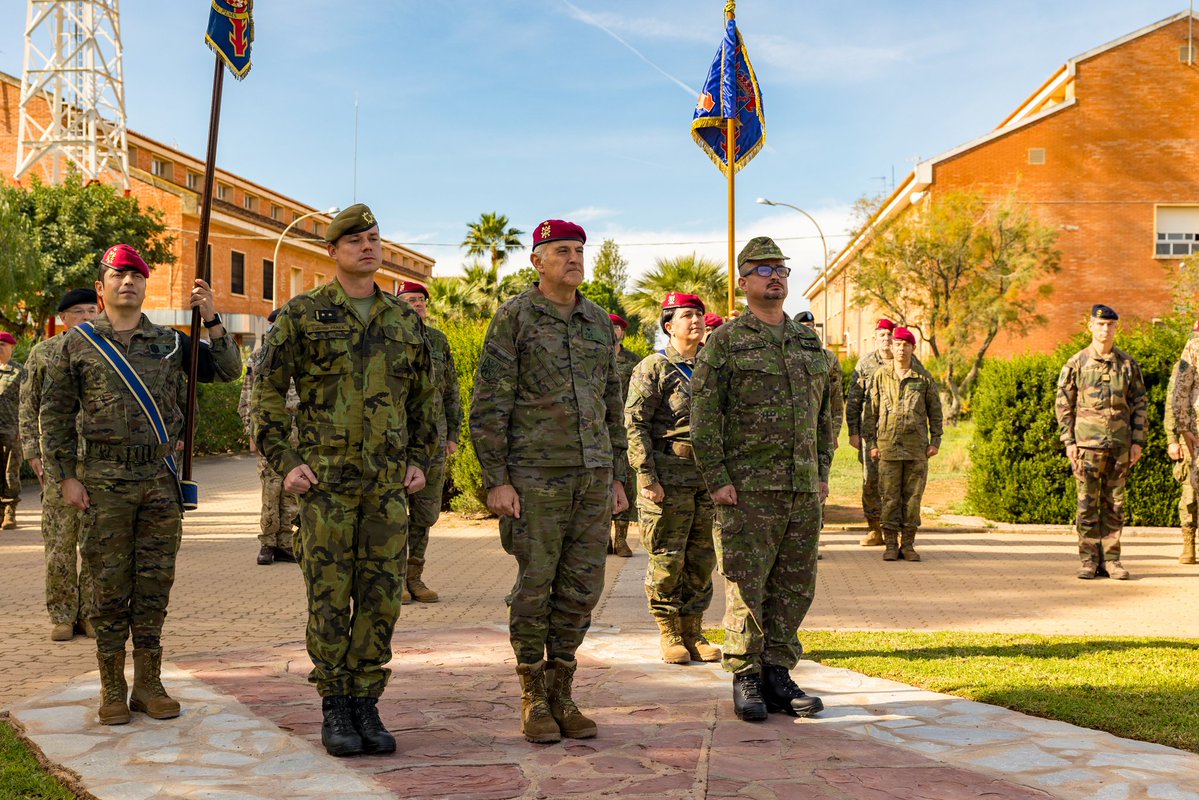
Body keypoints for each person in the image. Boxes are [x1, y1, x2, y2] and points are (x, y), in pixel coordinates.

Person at [253, 204, 435, 757]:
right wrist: (287, 463)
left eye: (374, 238)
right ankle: (335, 703)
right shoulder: (302, 315)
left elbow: (427, 403)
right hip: (326, 488)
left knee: (381, 598)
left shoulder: (405, 322)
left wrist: (421, 460)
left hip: (386, 489)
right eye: (354, 239)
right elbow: (262, 395)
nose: (367, 246)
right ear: (332, 252)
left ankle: (367, 700)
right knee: (330, 599)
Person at [40, 244, 241, 725]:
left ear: (145, 285)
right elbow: (56, 415)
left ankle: (149, 682)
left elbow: (230, 370)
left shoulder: (170, 342)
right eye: (118, 274)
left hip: (157, 479)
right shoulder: (78, 345)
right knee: (108, 586)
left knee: (154, 583)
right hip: (102, 482)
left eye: (136, 275)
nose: (127, 281)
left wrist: (211, 318)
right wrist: (66, 477)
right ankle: (112, 685)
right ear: (101, 286)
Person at [470, 218, 629, 744]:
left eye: (579, 250)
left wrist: (617, 477)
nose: (574, 259)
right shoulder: (515, 317)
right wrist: (497, 479)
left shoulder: (598, 323)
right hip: (535, 476)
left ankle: (563, 688)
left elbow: (612, 403)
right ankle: (533, 694)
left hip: (592, 475)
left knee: (582, 587)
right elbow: (490, 403)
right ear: (537, 261)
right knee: (536, 586)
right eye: (562, 251)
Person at [691, 236, 832, 723]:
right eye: (763, 268)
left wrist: (822, 473)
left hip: (801, 487)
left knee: (796, 584)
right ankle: (746, 674)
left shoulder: (808, 341)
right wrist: (717, 479)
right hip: (747, 489)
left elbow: (825, 415)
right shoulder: (727, 342)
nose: (776, 276)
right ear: (743, 281)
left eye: (782, 268)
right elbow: (704, 415)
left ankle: (778, 671)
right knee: (748, 584)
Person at [626, 292, 720, 665]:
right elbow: (635, 425)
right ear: (669, 326)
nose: (695, 321)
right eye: (686, 315)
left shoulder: (712, 368)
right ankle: (669, 633)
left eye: (699, 314)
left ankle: (694, 631)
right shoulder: (654, 368)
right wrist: (646, 476)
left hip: (706, 480)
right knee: (667, 558)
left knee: (701, 559)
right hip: (667, 478)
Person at [20, 289, 100, 641]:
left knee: (97, 542)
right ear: (64, 318)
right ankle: (63, 614)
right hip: (58, 463)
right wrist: (32, 453)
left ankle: (91, 614)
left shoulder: (110, 352)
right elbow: (28, 405)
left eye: (92, 311)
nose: (87, 317)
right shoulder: (44, 353)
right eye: (78, 312)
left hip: (101, 462)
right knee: (60, 542)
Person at [1057, 304, 1146, 581]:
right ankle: (1088, 560)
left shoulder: (1128, 365)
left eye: (1110, 325)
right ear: (1091, 327)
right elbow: (1064, 405)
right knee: (1086, 505)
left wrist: (1138, 441)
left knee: (1115, 505)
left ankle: (1112, 560)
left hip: (1119, 445)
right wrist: (1069, 441)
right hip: (1086, 446)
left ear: (1116, 328)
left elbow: (1139, 403)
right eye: (1100, 324)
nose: (1105, 329)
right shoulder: (1076, 363)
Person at [396, 280, 462, 603]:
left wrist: (453, 434)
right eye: (409, 300)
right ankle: (394, 581)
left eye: (420, 300)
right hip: (396, 441)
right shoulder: (388, 338)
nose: (417, 305)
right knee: (393, 511)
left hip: (433, 442)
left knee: (425, 514)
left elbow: (451, 390)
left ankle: (414, 577)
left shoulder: (438, 341)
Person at [862, 326, 943, 562]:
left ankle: (907, 545)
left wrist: (936, 440)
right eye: (897, 344)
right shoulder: (880, 376)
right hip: (887, 448)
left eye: (905, 344)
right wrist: (871, 443)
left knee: (912, 499)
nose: (900, 348)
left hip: (916, 449)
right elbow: (870, 413)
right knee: (889, 498)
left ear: (912, 348)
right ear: (892, 347)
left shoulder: (924, 377)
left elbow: (935, 411)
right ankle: (889, 544)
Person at [846, 318, 922, 547]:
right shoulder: (866, 363)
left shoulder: (912, 362)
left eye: (890, 335)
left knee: (899, 483)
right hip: (872, 434)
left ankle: (897, 532)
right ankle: (874, 529)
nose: (887, 340)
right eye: (882, 335)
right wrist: (853, 432)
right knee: (871, 482)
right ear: (875, 338)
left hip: (902, 436)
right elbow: (854, 399)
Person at [238, 307, 299, 566]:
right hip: (271, 431)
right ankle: (267, 544)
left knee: (293, 491)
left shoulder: (303, 356)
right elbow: (248, 399)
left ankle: (286, 543)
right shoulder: (259, 357)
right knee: (271, 489)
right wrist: (252, 431)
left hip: (298, 433)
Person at [609, 312, 640, 558]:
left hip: (626, 427)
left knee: (625, 481)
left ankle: (621, 539)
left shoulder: (633, 360)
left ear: (623, 333)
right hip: (600, 427)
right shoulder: (594, 356)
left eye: (618, 327)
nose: (614, 330)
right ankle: (601, 541)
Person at [1165, 336, 1198, 565]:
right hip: (1194, 434)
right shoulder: (1194, 348)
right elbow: (1175, 396)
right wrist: (1175, 435)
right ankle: (1189, 544)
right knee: (1190, 493)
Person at [0, 331, 25, 530]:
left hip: (11, 431)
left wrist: (23, 428)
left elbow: (28, 403)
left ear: (11, 347)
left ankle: (10, 512)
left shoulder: (20, 372)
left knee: (10, 473)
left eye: (3, 345)